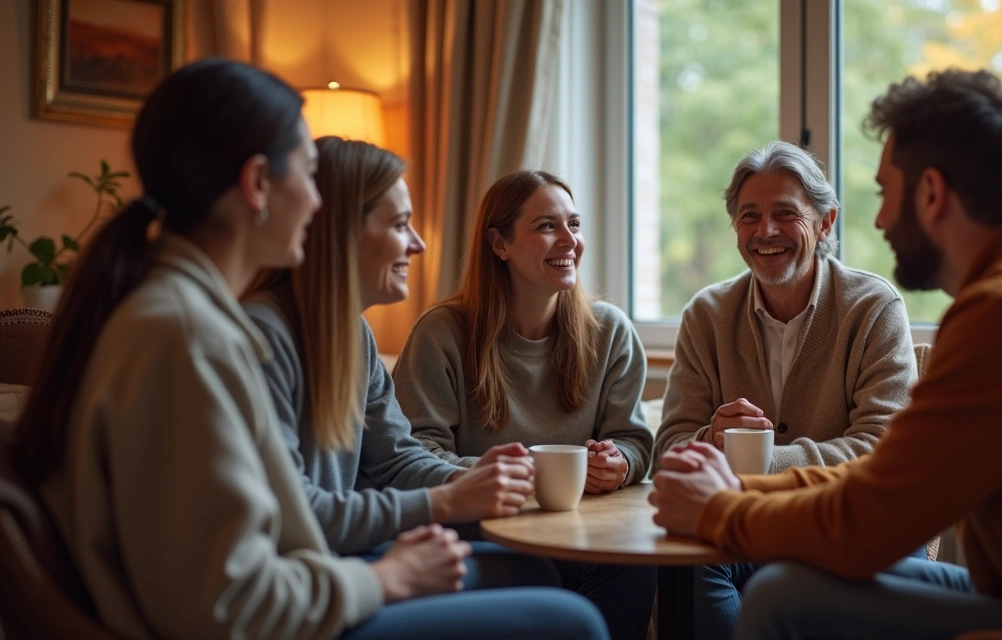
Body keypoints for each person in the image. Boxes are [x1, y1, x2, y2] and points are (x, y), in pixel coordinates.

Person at [12, 58, 608, 640]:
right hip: (279, 615)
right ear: (257, 185)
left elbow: (286, 523)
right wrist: (384, 578)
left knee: (530, 573)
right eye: (306, 173)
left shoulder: (191, 319)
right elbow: (229, 605)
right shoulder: (193, 339)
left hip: (298, 589)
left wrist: (451, 500)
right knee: (574, 620)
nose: (319, 204)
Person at [650, 68, 1002, 640]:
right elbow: (882, 480)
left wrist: (720, 509)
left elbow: (872, 516)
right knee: (780, 589)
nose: (878, 219)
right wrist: (734, 492)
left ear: (931, 193)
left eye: (884, 192)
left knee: (783, 598)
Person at [243, 136, 560, 590]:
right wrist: (447, 500)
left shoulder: (354, 336)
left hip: (338, 561)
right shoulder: (261, 339)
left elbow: (396, 461)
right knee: (565, 615)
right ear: (341, 232)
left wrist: (472, 478)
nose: (418, 244)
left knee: (532, 571)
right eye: (399, 225)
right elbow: (298, 514)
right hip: (301, 586)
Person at [654, 140, 919, 639]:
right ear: (735, 229)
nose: (765, 231)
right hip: (747, 532)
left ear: (825, 223)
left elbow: (883, 449)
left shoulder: (874, 307)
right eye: (749, 216)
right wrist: (711, 441)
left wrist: (760, 461)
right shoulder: (706, 315)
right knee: (683, 563)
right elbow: (669, 449)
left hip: (847, 530)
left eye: (784, 214)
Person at [395, 170, 657, 640]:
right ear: (499, 244)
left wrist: (619, 462)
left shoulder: (610, 331)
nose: (569, 241)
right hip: (486, 531)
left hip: (580, 533)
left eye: (574, 225)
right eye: (546, 226)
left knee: (636, 566)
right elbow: (415, 456)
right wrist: (522, 478)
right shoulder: (441, 335)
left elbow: (634, 441)